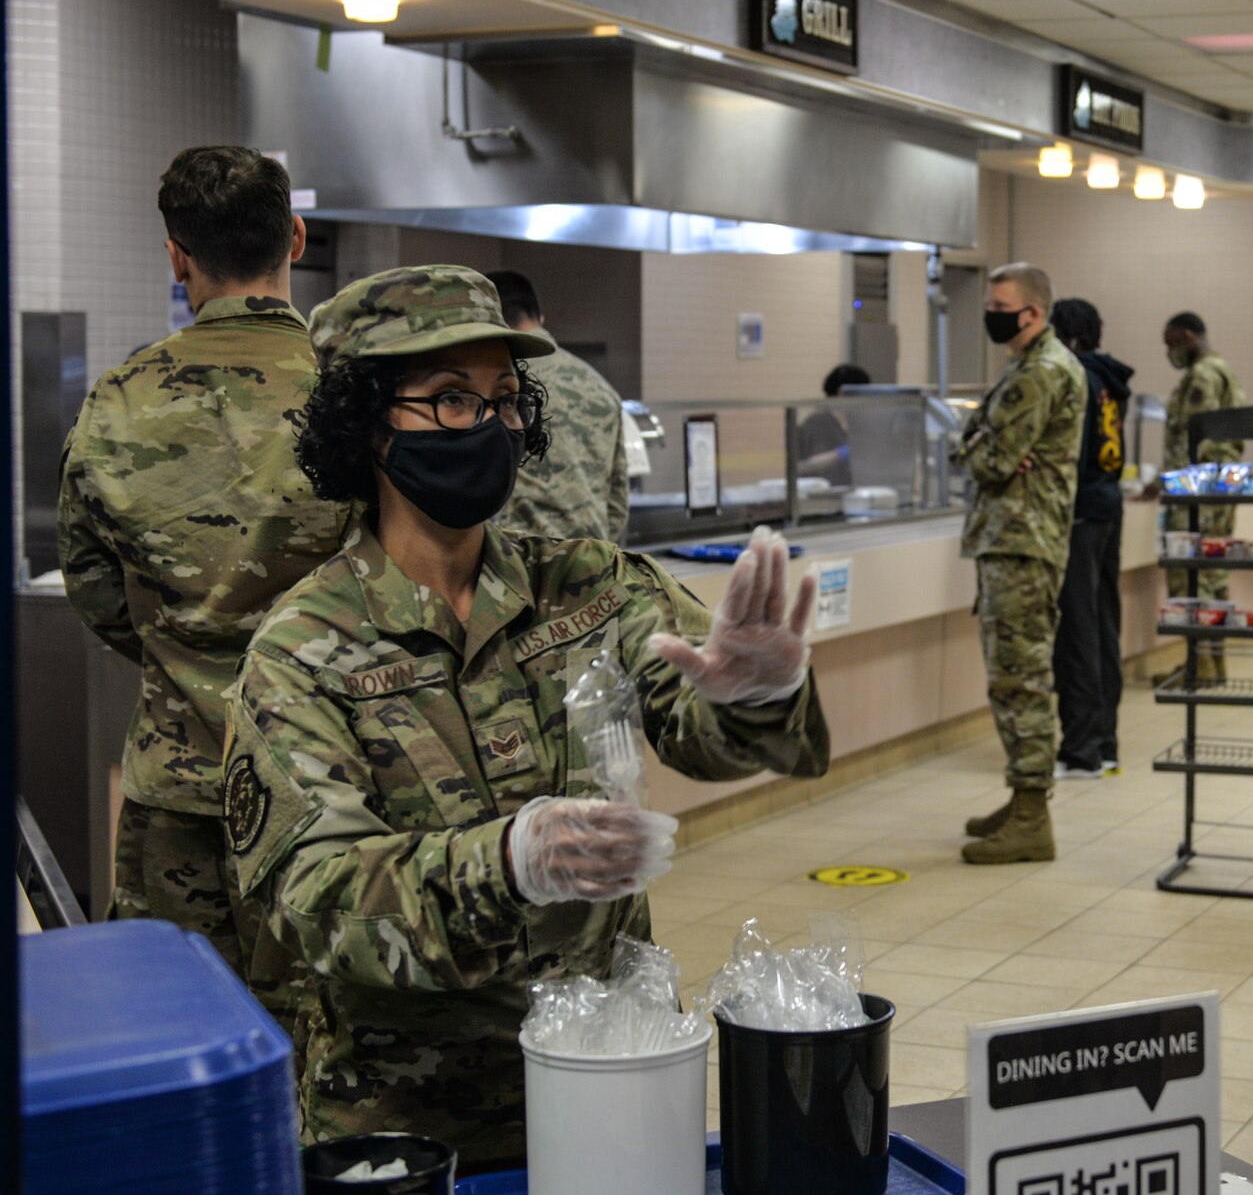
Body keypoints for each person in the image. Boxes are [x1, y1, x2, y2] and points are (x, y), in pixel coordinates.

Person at [223, 266, 830, 1166]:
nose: (493, 425)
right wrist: (508, 862)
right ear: (368, 421)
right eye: (452, 399)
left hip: (612, 1084)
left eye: (505, 398)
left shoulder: (586, 583)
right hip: (415, 1129)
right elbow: (318, 901)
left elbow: (698, 725)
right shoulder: (302, 649)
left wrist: (756, 694)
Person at [56, 145, 351, 1005]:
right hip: (335, 782)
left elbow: (95, 588)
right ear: (294, 238)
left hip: (179, 786)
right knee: (332, 1041)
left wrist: (181, 644)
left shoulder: (117, 398)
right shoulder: (352, 395)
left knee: (178, 1026)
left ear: (178, 254)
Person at [955, 263, 1085, 864]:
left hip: (1021, 542)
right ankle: (1023, 796)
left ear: (1032, 313)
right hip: (1014, 540)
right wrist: (983, 439)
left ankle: (1032, 814)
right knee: (1012, 674)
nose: (992, 313)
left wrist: (981, 442)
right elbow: (984, 442)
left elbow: (989, 461)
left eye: (1001, 305)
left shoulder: (1042, 373)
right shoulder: (1030, 366)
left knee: (1021, 677)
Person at [1049, 299, 1133, 780]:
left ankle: (1080, 750)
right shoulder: (1110, 380)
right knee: (1103, 627)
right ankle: (1105, 742)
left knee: (1077, 632)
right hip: (1108, 508)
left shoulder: (1072, 374)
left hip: (1079, 514)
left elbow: (1068, 454)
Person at [489, 267, 629, 543]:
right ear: (540, 317)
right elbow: (617, 501)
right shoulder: (601, 387)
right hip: (593, 563)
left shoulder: (502, 386)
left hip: (524, 563)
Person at [1159, 311, 1245, 684]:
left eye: (1172, 342)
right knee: (1213, 572)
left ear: (1189, 337)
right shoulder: (1224, 370)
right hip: (1221, 485)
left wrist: (1171, 484)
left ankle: (1202, 666)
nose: (1170, 352)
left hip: (1200, 490)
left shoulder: (1203, 376)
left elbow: (1196, 441)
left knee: (1191, 576)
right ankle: (1212, 663)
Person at [797, 363, 871, 483]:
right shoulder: (816, 423)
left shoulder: (858, 422)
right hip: (822, 495)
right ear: (842, 392)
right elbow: (801, 467)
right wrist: (839, 455)